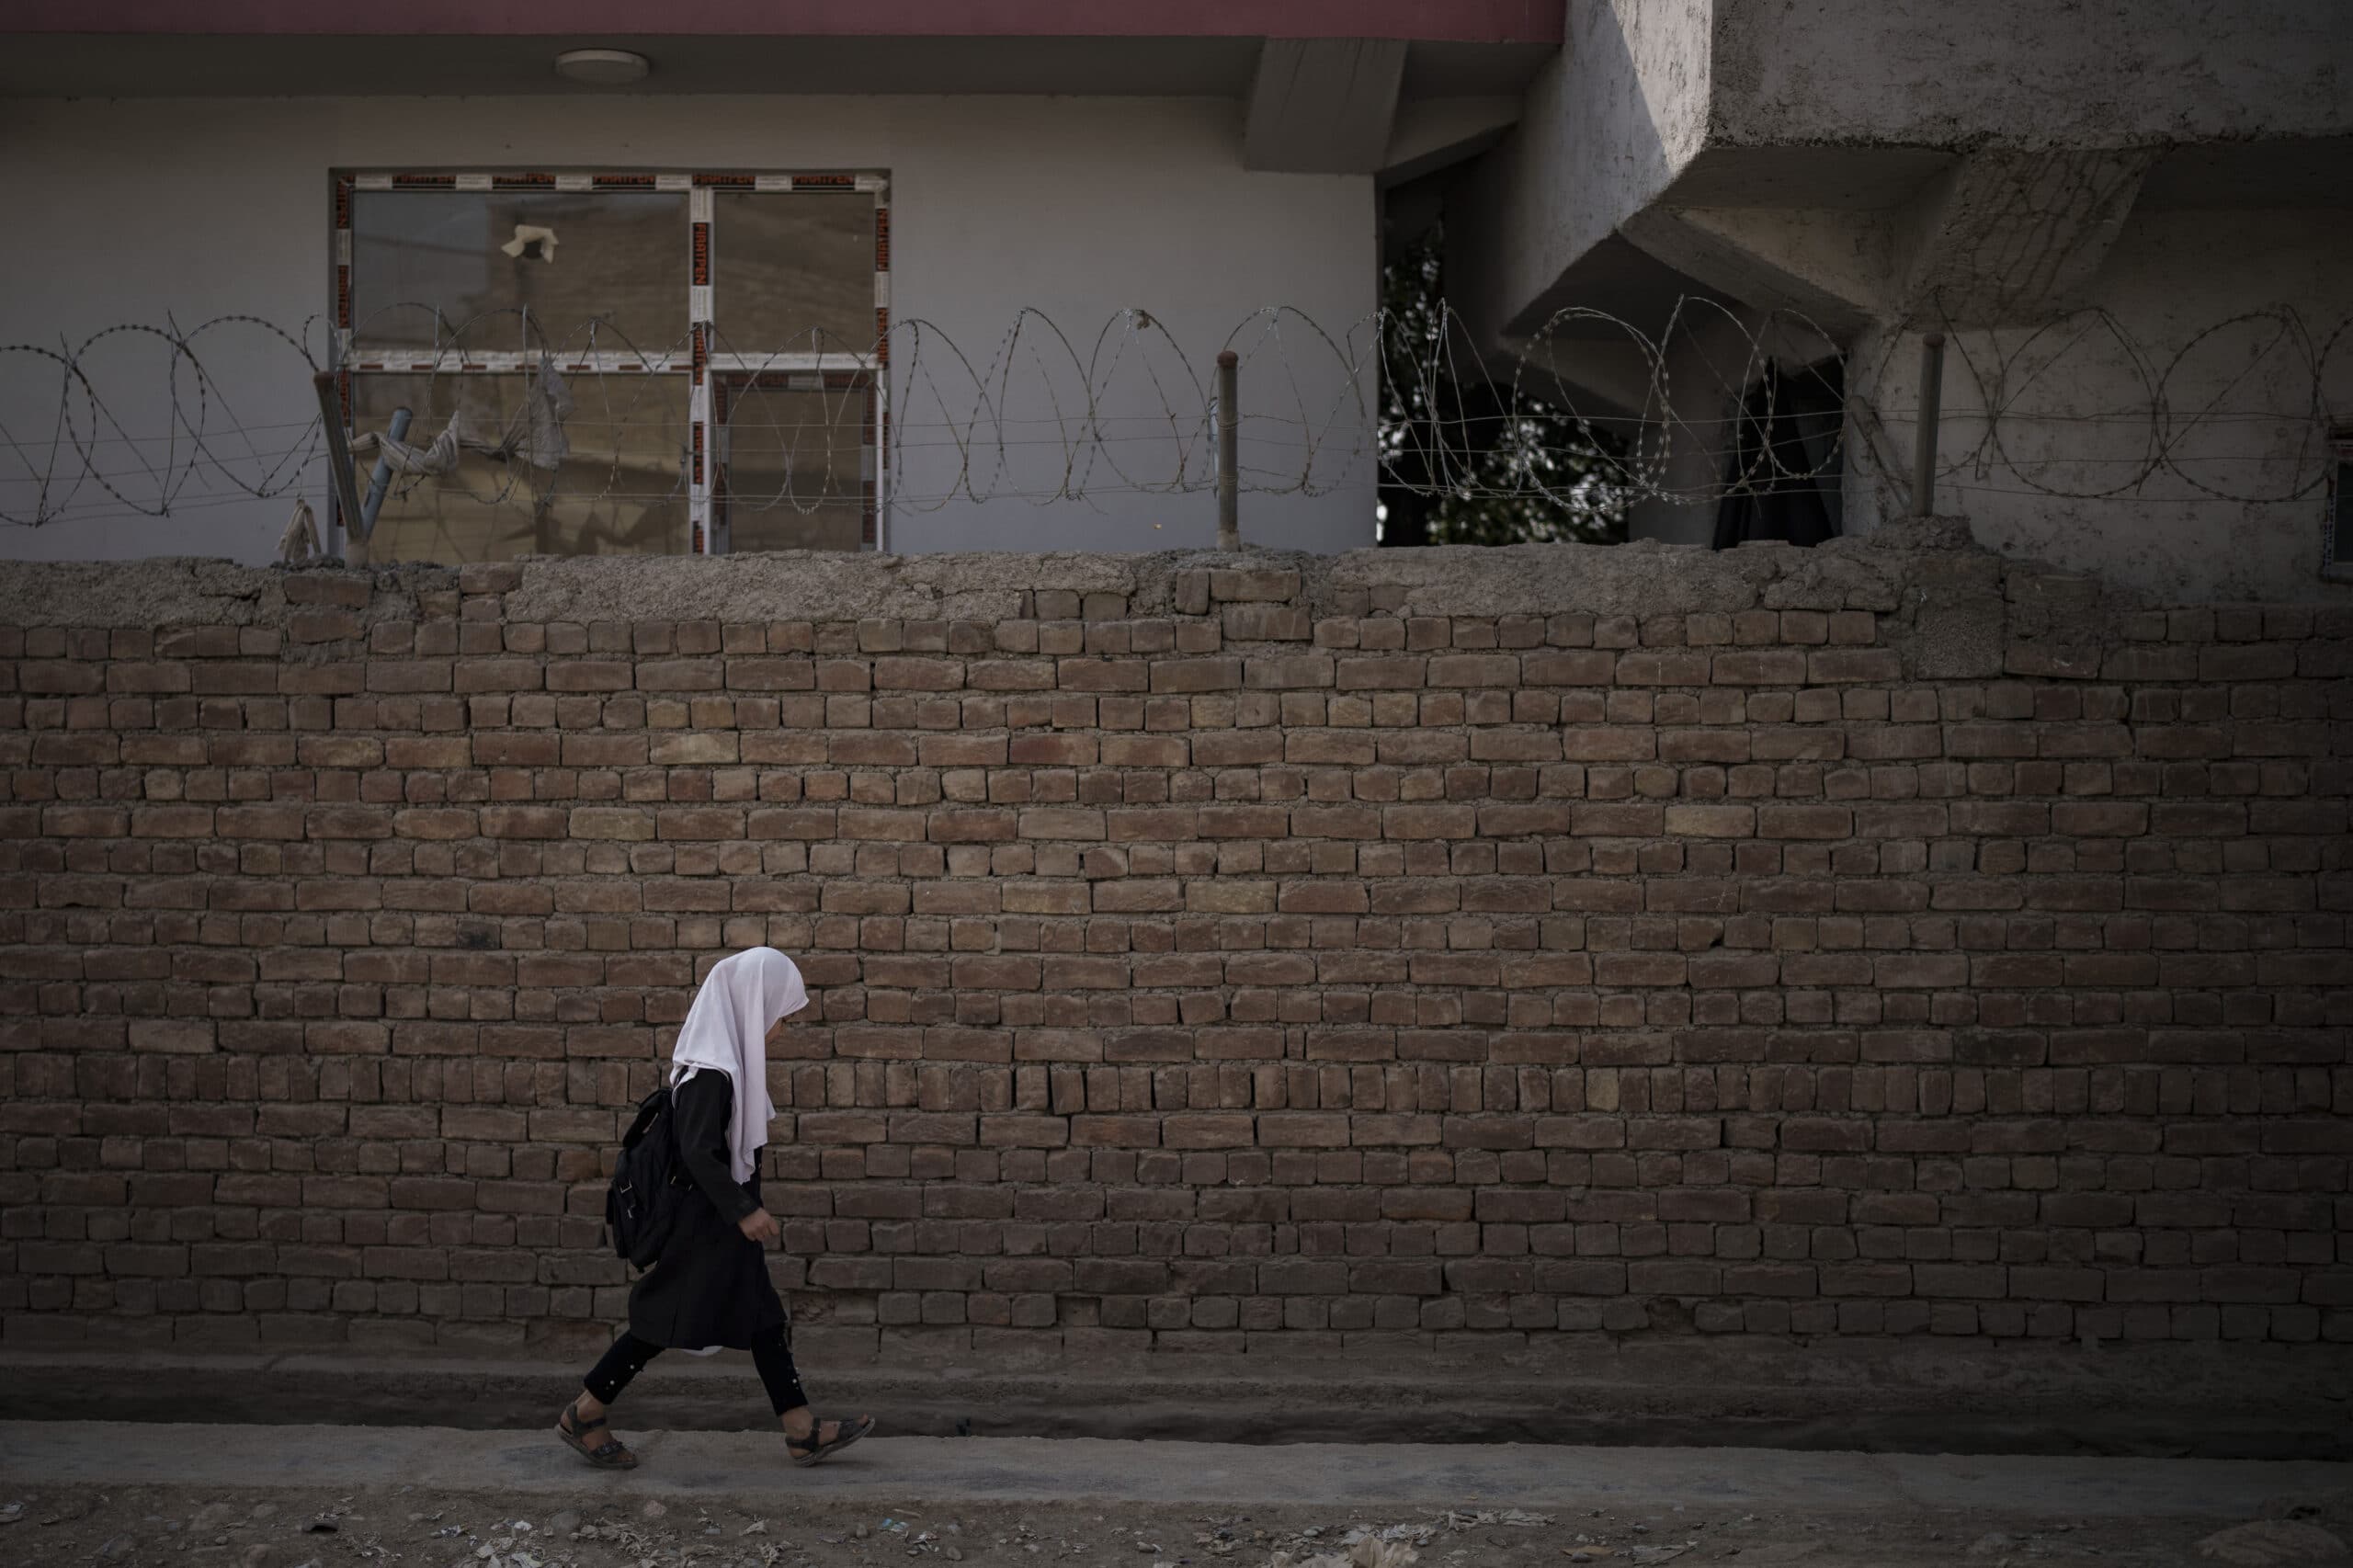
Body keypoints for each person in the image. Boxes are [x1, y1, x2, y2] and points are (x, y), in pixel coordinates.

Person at [556, 947, 875, 1471]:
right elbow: (697, 1152)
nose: (782, 1031)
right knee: (661, 1322)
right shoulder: (712, 1073)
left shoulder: (724, 1068)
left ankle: (801, 1430)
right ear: (752, 1006)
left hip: (717, 1222)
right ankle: (585, 1411)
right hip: (703, 1224)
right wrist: (743, 1210)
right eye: (781, 1017)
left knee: (763, 1318)